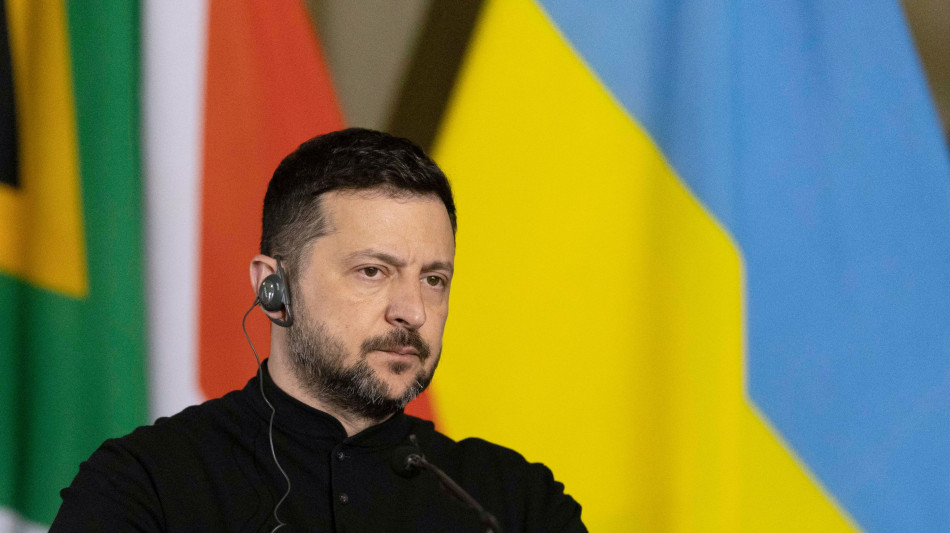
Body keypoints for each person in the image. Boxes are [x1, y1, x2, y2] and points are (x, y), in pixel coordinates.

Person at [52, 128, 585, 532]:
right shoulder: (146, 485)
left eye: (433, 279)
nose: (413, 312)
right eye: (372, 271)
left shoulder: (516, 502)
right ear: (273, 287)